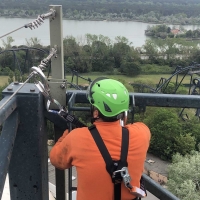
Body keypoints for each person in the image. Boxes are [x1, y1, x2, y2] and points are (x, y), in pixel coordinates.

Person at [50, 77, 151, 200]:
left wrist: (67, 133)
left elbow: (56, 159)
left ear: (96, 112)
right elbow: (125, 125)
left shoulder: (76, 137)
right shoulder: (142, 132)